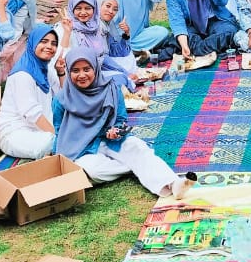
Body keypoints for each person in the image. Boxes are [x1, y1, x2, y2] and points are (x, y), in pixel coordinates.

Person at [53, 49, 193, 197]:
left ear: (95, 68)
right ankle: (137, 165)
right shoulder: (61, 99)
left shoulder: (111, 89)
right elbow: (59, 130)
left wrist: (116, 131)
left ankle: (172, 183)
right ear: (69, 71)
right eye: (75, 70)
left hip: (110, 140)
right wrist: (56, 156)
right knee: (94, 171)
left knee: (136, 146)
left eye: (87, 69)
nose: (82, 75)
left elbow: (121, 120)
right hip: (81, 147)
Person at [0, 23, 63, 160]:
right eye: (43, 41)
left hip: (39, 129)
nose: (49, 46)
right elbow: (31, 113)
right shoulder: (23, 74)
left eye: (54, 43)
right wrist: (57, 136)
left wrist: (61, 72)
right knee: (57, 143)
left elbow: (62, 96)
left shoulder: (45, 69)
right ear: (33, 42)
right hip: (15, 133)